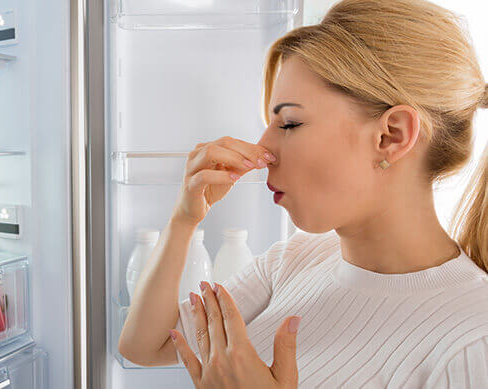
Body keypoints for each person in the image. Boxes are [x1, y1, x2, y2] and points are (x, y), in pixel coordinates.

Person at [118, 0, 488, 387]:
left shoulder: (471, 344)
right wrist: (184, 218)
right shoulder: (297, 260)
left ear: (390, 135)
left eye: (290, 123)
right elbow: (146, 346)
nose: (263, 150)